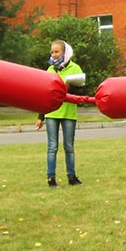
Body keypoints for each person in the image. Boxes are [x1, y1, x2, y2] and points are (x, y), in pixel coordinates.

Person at [35, 40, 86, 186]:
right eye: (52, 52)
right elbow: (44, 96)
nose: (54, 55)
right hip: (52, 114)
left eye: (57, 52)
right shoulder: (50, 70)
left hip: (69, 114)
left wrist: (68, 87)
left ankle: (72, 177)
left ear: (64, 52)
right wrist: (41, 116)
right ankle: (51, 178)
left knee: (69, 147)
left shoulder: (75, 68)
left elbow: (82, 91)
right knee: (52, 147)